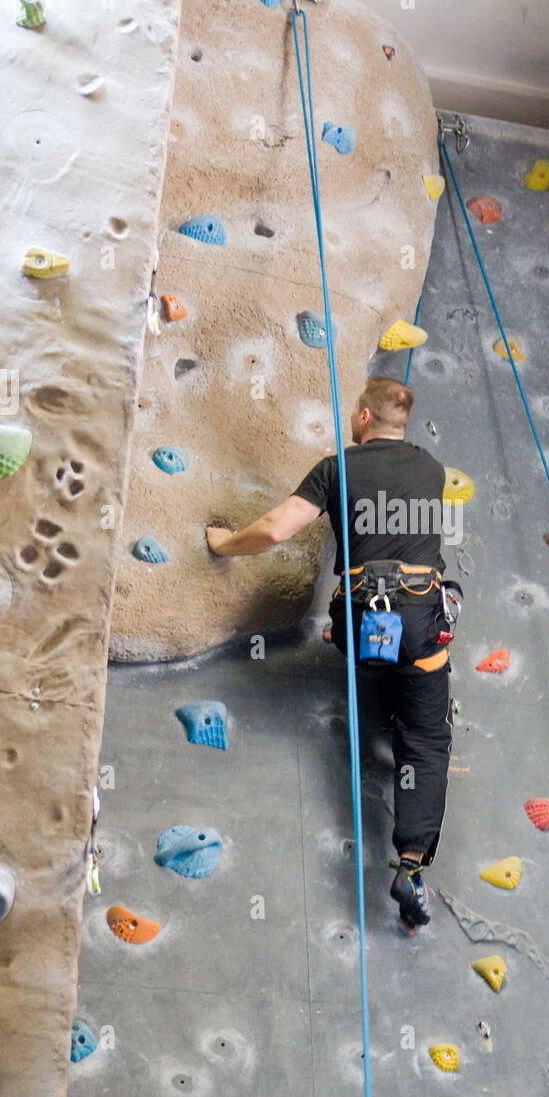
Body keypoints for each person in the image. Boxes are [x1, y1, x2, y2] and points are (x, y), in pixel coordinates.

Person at [206, 376, 456, 932]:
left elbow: (275, 530)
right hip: (417, 622)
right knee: (427, 739)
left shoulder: (338, 467)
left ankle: (368, 661)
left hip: (360, 626)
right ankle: (411, 866)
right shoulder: (432, 471)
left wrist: (223, 544)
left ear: (364, 419)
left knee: (369, 646)